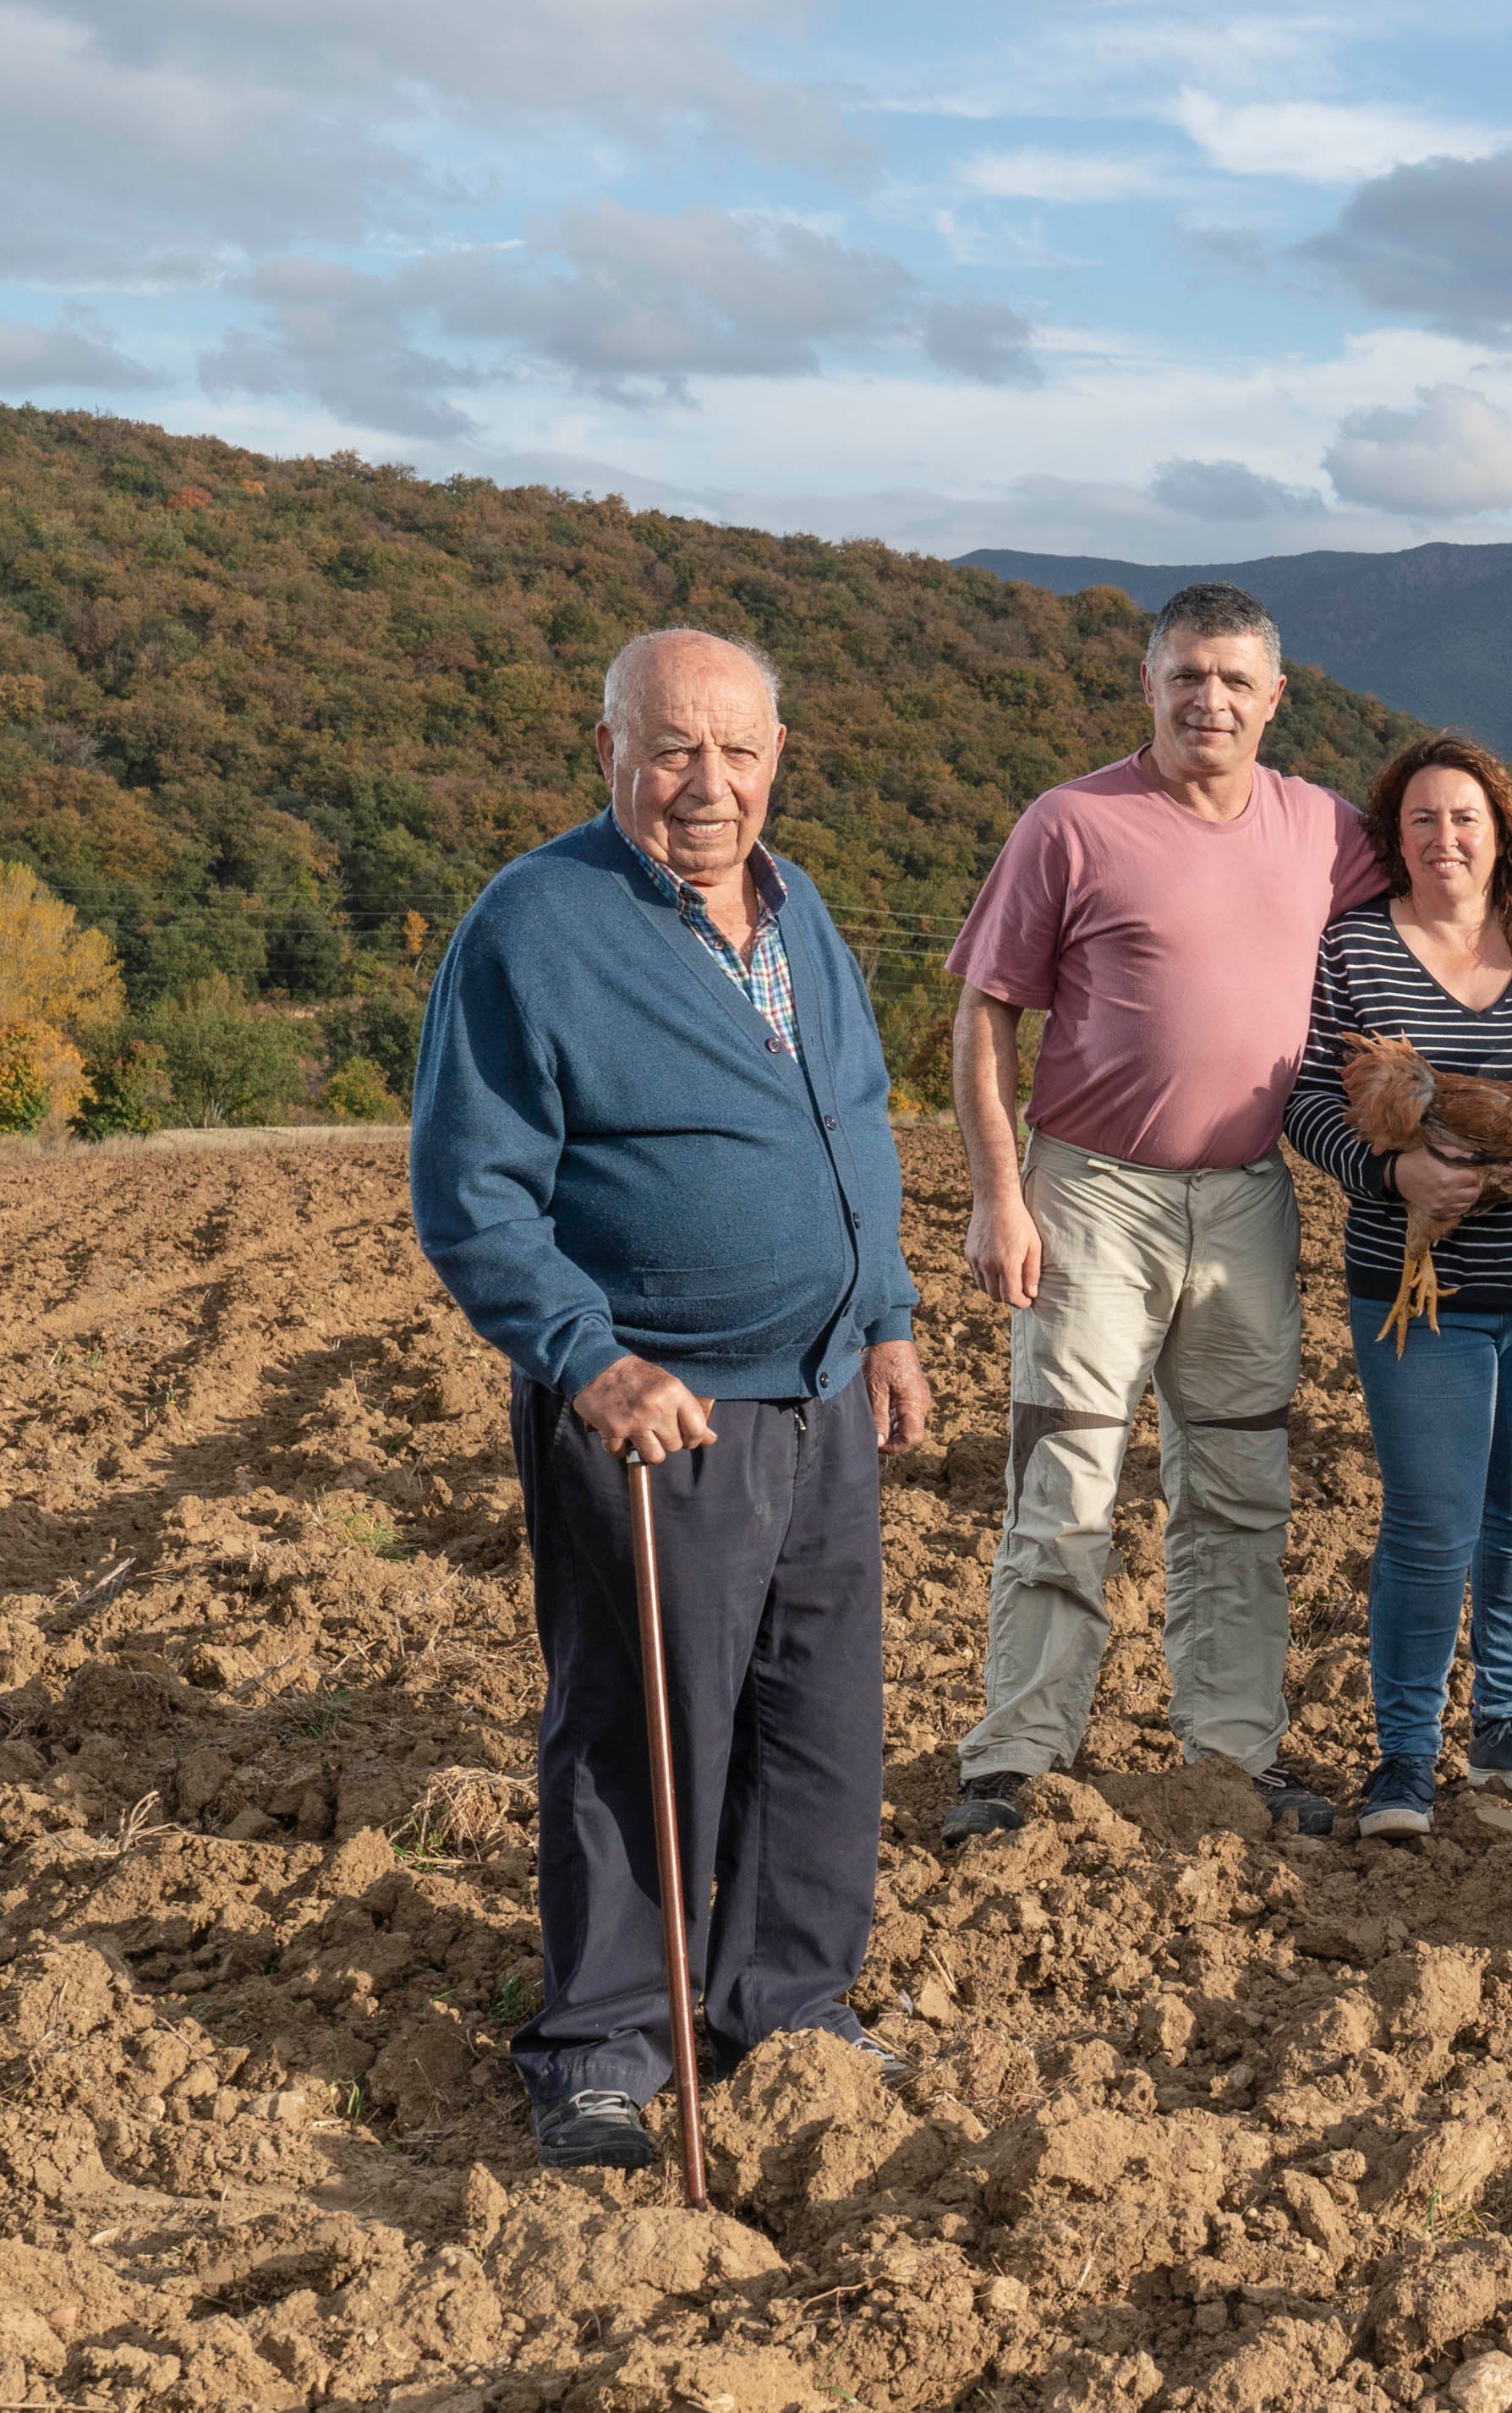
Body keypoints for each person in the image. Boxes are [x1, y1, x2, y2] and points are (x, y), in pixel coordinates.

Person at [936, 584, 1512, 1845]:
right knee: (1070, 1473)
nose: (1209, 700)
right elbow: (988, 1009)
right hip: (1097, 1190)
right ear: (1148, 685)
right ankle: (1019, 1757)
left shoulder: (1317, 827)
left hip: (1248, 1199)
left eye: (1234, 681)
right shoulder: (1072, 823)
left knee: (1241, 1484)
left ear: (1274, 699)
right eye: (1186, 676)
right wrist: (999, 1191)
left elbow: (1462, 864)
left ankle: (1231, 1752)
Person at [409, 628, 934, 2171]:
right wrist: (589, 1357)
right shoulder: (536, 926)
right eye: (674, 750)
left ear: (781, 757)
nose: (709, 785)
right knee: (643, 1732)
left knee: (817, 1726)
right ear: (610, 753)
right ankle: (602, 2048)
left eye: (740, 751)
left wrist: (887, 1316)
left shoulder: (798, 904)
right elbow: (474, 1194)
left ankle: (788, 2002)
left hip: (824, 1393)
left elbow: (854, 1116)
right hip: (659, 1413)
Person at [1284, 733, 1512, 1841]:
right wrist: (1388, 1168)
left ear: (1500, 834)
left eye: (1465, 819)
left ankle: (1504, 1723)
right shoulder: (1351, 947)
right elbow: (1307, 1093)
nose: (1444, 838)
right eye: (1421, 820)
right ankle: (1403, 1754)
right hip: (1419, 1289)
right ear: (1392, 841)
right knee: (1431, 1523)